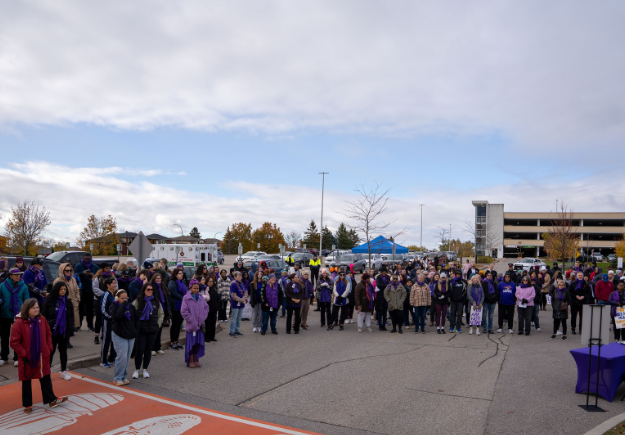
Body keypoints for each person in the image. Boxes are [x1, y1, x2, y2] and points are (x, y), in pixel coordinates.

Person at [10, 298, 68, 413]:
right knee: (26, 380)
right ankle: (27, 405)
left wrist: (49, 348)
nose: (36, 309)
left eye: (37, 307)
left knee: (45, 377)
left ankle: (51, 400)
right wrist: (24, 354)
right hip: (27, 358)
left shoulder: (42, 319)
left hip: (42, 356)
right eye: (33, 308)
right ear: (27, 309)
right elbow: (14, 342)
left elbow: (48, 334)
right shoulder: (19, 323)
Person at [42, 282, 75, 381]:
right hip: (52, 331)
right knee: (50, 351)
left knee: (63, 351)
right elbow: (43, 315)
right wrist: (49, 323)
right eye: (61, 289)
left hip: (64, 331)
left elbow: (71, 317)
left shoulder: (68, 301)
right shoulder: (50, 300)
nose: (63, 291)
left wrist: (71, 328)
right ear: (57, 290)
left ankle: (64, 371)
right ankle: (47, 371)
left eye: (64, 289)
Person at [131, 283, 163, 378]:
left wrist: (158, 324)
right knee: (139, 350)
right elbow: (133, 314)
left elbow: (161, 314)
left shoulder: (156, 302)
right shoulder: (137, 301)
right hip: (141, 330)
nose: (150, 291)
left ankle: (145, 369)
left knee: (148, 350)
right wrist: (136, 326)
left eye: (152, 290)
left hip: (152, 330)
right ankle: (137, 369)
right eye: (148, 289)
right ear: (144, 290)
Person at [0, 268, 30, 367]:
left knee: (18, 337)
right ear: (10, 275)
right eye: (16, 274)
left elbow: (27, 301)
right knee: (4, 336)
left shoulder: (24, 286)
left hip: (18, 315)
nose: (18, 276)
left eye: (19, 274)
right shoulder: (2, 285)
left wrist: (25, 313)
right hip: (5, 314)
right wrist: (2, 302)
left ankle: (17, 357)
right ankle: (4, 356)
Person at [109, 289, 139, 385]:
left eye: (126, 298)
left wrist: (136, 331)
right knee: (121, 357)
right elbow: (117, 316)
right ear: (117, 298)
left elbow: (137, 319)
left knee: (126, 357)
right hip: (119, 334)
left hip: (130, 334)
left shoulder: (131, 307)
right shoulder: (113, 306)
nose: (125, 300)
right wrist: (123, 305)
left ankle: (123, 376)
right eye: (122, 298)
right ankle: (117, 377)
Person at [181, 280, 209, 368]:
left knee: (198, 343)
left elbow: (206, 307)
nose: (196, 290)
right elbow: (184, 311)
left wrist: (203, 317)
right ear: (190, 288)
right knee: (191, 343)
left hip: (200, 324)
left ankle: (196, 358)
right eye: (194, 288)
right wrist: (191, 320)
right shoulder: (186, 298)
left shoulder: (201, 297)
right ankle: (190, 359)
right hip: (191, 325)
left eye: (197, 288)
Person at [74, 253, 99, 332]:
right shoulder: (78, 266)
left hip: (91, 291)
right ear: (83, 259)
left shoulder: (95, 267)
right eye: (86, 259)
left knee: (90, 310)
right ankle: (78, 325)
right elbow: (74, 276)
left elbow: (99, 276)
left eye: (88, 259)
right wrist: (82, 273)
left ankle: (90, 326)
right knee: (80, 309)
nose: (87, 260)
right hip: (81, 291)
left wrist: (93, 275)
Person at [149, 272, 169, 355]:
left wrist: (167, 315)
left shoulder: (163, 287)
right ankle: (152, 348)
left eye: (159, 278)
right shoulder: (151, 287)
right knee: (154, 330)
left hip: (163, 310)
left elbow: (166, 300)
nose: (158, 280)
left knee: (159, 330)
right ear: (154, 279)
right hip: (154, 311)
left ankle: (158, 347)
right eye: (156, 278)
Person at [99, 277, 118, 367]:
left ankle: (111, 359)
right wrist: (110, 317)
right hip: (107, 321)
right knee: (106, 341)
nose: (115, 285)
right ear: (108, 285)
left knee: (114, 340)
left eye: (115, 283)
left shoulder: (114, 294)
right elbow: (103, 309)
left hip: (114, 321)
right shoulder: (105, 294)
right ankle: (103, 361)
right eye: (113, 283)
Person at [167, 269, 187, 350]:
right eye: (179, 273)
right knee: (175, 324)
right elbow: (173, 292)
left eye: (182, 273)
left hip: (182, 306)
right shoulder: (172, 282)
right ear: (175, 274)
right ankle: (172, 342)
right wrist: (183, 298)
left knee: (179, 325)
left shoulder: (182, 282)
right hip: (175, 306)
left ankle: (176, 341)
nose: (181, 275)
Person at [229, 272, 248, 337]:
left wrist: (244, 298)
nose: (240, 278)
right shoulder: (233, 284)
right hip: (235, 304)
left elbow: (246, 292)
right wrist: (241, 300)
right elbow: (233, 295)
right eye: (239, 277)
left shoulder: (242, 284)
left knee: (239, 317)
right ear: (235, 277)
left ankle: (237, 330)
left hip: (241, 303)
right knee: (234, 318)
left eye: (241, 277)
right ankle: (232, 331)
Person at [203, 276, 220, 342]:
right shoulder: (205, 290)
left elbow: (217, 298)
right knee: (208, 324)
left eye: (212, 281)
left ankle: (212, 336)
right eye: (209, 281)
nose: (211, 283)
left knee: (213, 323)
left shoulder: (214, 289)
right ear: (207, 282)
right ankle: (207, 337)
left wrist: (217, 306)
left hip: (214, 309)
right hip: (208, 310)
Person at [375, 266, 390, 331]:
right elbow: (378, 285)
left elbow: (390, 285)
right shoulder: (378, 277)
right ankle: (380, 325)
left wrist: (384, 285)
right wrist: (386, 285)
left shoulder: (388, 277)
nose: (384, 273)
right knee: (380, 311)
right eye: (383, 272)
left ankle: (384, 324)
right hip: (380, 296)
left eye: (385, 272)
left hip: (386, 296)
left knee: (385, 311)